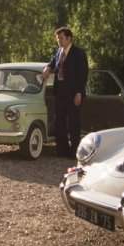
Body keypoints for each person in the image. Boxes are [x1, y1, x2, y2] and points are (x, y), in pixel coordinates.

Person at [41, 26, 88, 158]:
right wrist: (47, 68)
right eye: (57, 39)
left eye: (61, 38)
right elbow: (52, 63)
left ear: (69, 38)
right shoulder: (58, 52)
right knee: (59, 122)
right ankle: (62, 151)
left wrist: (79, 92)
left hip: (74, 94)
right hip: (60, 92)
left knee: (74, 123)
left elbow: (83, 74)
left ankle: (74, 152)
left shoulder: (79, 53)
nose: (59, 41)